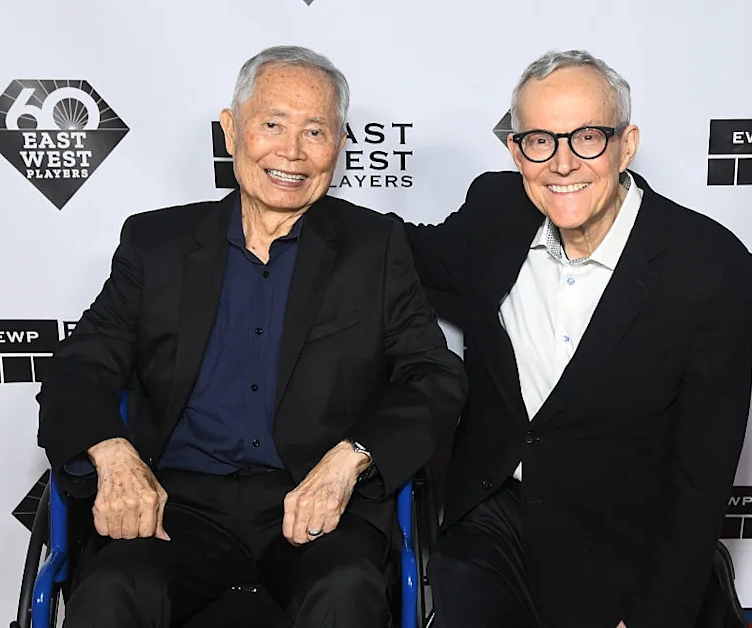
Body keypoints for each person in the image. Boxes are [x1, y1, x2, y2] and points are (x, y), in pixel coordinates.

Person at [36, 45, 466, 628]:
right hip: (179, 504)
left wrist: (352, 458)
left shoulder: (375, 248)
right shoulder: (156, 243)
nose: (291, 152)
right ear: (232, 130)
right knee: (113, 588)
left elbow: (434, 374)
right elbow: (79, 367)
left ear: (339, 146)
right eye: (272, 125)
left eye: (315, 131)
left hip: (320, 508)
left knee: (346, 591)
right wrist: (112, 454)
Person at [398, 50, 752, 628]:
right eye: (539, 140)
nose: (562, 163)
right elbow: (403, 252)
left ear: (626, 144)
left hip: (624, 536)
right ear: (516, 150)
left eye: (587, 137)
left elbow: (702, 476)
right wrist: (296, 196)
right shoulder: (495, 212)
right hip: (495, 521)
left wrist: (651, 615)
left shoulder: (709, 268)